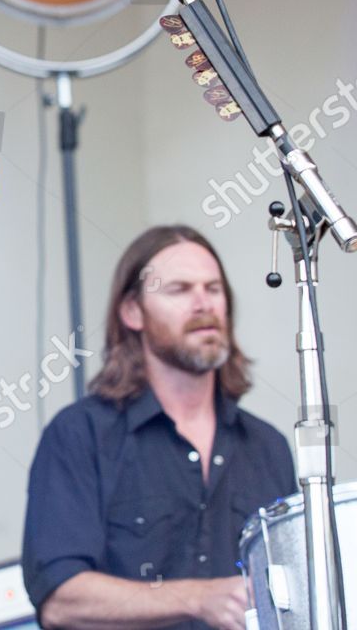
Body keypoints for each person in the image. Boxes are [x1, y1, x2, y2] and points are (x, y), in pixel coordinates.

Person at [22, 225, 296, 630]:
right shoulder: (79, 434)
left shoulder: (267, 445)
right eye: (180, 290)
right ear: (133, 311)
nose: (203, 303)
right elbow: (61, 599)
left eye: (213, 289)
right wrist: (199, 598)